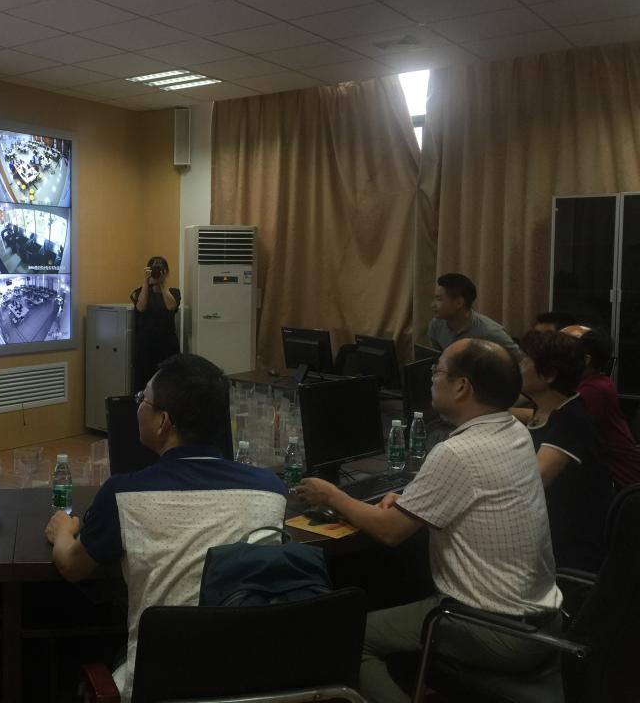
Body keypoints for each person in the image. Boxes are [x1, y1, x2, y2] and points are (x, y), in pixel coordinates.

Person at [298, 339, 561, 703]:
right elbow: (468, 495)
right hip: (543, 619)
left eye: (437, 371)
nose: (431, 379)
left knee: (348, 639)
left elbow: (390, 532)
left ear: (462, 386)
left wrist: (332, 496)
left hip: (494, 629)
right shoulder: (512, 431)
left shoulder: (457, 452)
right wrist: (410, 502)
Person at [45, 353, 287, 701]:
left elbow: (72, 566)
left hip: (159, 684)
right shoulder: (271, 490)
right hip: (251, 682)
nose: (138, 407)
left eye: (143, 400)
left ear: (163, 422)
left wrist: (63, 530)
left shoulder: (123, 494)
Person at [519, 330, 614, 572]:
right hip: (546, 532)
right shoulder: (546, 409)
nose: (518, 367)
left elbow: (535, 479)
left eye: (525, 361)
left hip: (570, 551)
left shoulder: (571, 419)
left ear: (549, 375)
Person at [562, 324, 640, 490]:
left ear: (586, 360)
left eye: (565, 350)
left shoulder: (595, 389)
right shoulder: (589, 382)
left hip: (623, 481)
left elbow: (560, 417)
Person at [427, 273, 517, 352]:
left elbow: (521, 360)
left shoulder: (490, 332)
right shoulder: (436, 324)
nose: (432, 305)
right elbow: (435, 358)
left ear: (459, 302)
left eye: (439, 299)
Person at [130, 255, 181, 392]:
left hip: (167, 347)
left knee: (168, 385)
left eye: (160, 270)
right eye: (153, 270)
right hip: (145, 349)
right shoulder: (140, 292)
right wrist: (146, 282)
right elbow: (141, 307)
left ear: (167, 272)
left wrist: (162, 284)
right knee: (143, 386)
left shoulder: (174, 292)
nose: (157, 272)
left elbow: (171, 306)